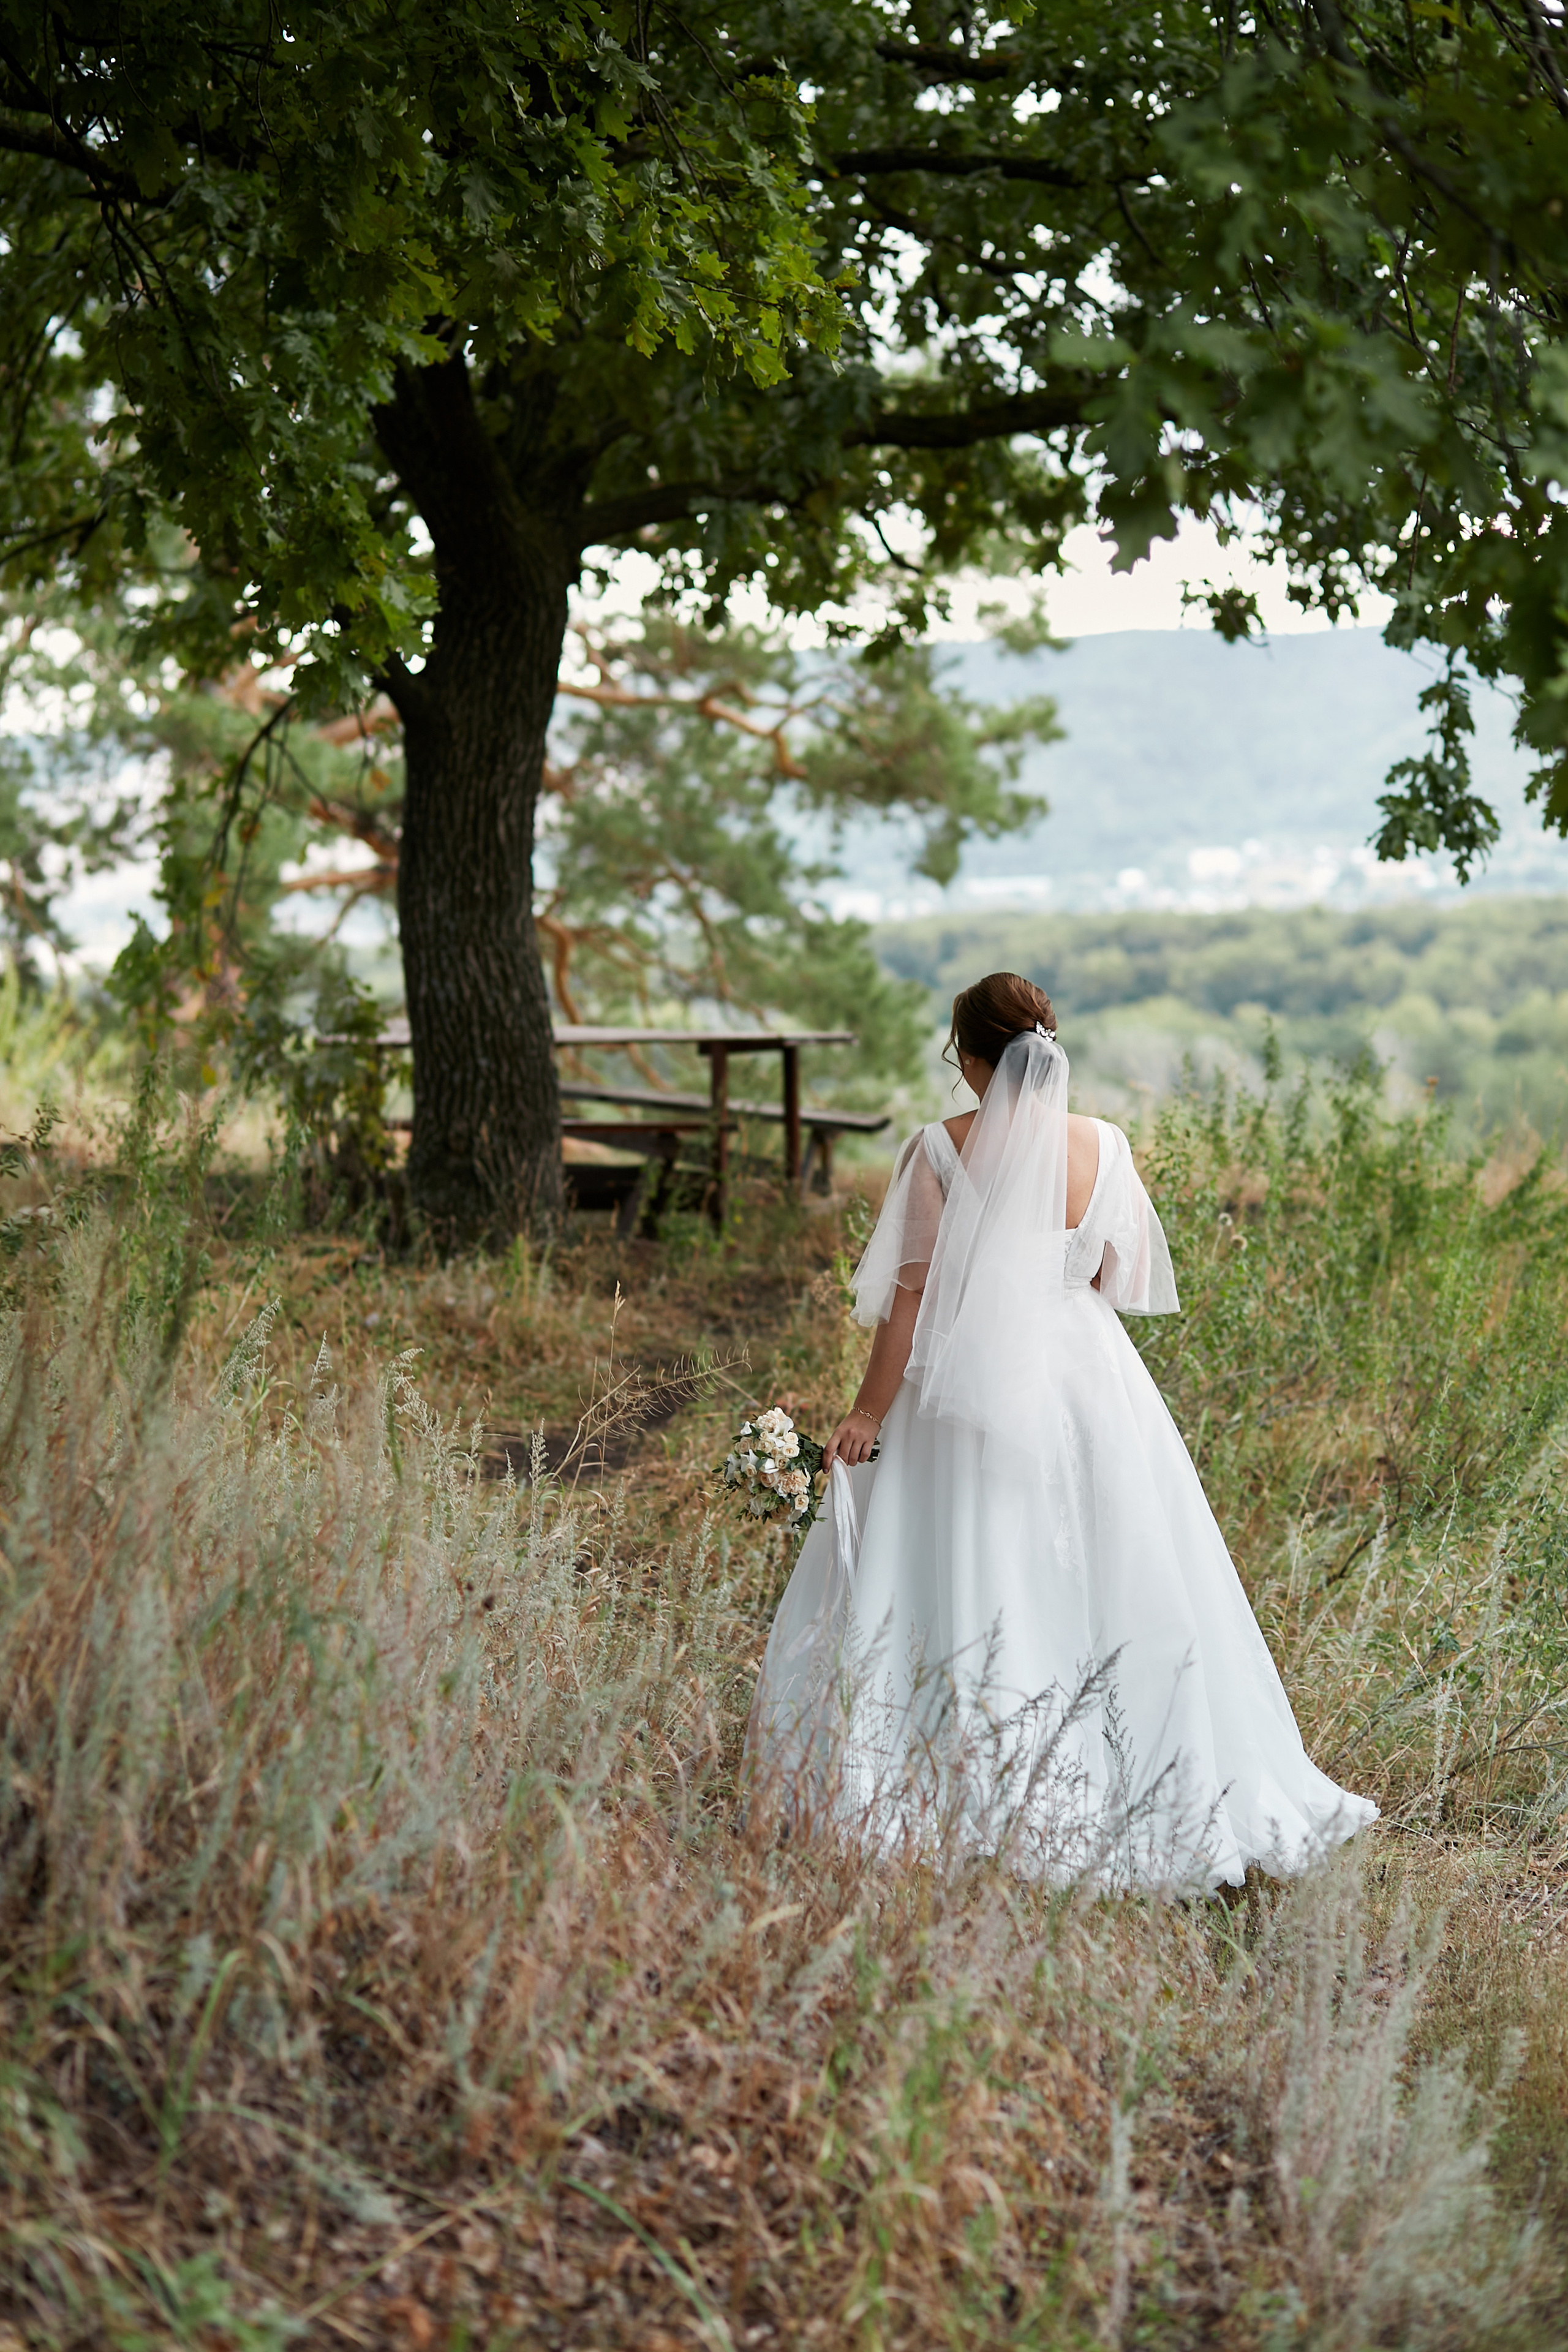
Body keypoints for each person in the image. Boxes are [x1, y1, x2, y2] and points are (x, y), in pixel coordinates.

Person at [745, 971, 1377, 1888]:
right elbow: (1117, 1280)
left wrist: (868, 1412)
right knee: (1112, 1560)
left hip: (956, 1384)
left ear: (970, 1057)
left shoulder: (936, 1151)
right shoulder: (1105, 1146)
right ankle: (1147, 1768)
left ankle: (965, 1766)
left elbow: (908, 1305)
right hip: (1089, 1377)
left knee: (970, 1559)